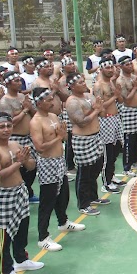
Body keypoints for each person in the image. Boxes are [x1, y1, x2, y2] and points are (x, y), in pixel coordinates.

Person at [0, 112, 43, 274]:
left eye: (8, 126)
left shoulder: (15, 144)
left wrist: (26, 160)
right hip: (3, 195)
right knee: (4, 235)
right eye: (1, 127)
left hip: (20, 191)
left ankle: (21, 259)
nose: (6, 129)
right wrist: (18, 163)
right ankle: (6, 272)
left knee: (22, 227)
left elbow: (31, 166)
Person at [30, 88, 85, 252]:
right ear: (39, 102)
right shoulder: (36, 122)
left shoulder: (53, 116)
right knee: (47, 200)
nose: (52, 102)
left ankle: (63, 222)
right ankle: (43, 237)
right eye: (48, 100)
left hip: (59, 161)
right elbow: (39, 147)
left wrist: (62, 135)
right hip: (47, 163)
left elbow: (64, 137)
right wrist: (59, 138)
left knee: (63, 195)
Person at [65, 74, 109, 215]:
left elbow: (101, 113)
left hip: (96, 137)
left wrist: (99, 109)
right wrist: (96, 110)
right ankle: (83, 204)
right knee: (84, 172)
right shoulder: (72, 102)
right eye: (80, 82)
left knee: (96, 167)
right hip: (83, 140)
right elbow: (81, 122)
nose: (84, 83)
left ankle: (93, 197)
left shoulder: (89, 96)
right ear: (72, 86)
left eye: (83, 81)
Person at [0, 71, 37, 203]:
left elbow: (34, 113)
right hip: (15, 138)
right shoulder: (4, 101)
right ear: (8, 84)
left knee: (32, 166)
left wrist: (29, 108)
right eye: (16, 81)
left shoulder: (23, 97)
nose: (20, 83)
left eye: (20, 80)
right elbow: (10, 122)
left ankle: (28, 191)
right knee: (20, 167)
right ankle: (21, 194)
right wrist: (25, 110)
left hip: (29, 137)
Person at [93, 57, 126, 189]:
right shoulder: (98, 85)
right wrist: (115, 96)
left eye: (111, 67)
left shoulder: (112, 82)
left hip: (115, 119)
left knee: (116, 149)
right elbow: (100, 107)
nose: (110, 69)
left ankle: (111, 176)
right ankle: (106, 182)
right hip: (105, 120)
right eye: (107, 67)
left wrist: (118, 95)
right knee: (107, 152)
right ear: (101, 69)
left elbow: (121, 101)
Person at [117, 56, 137, 175]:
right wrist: (135, 88)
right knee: (129, 139)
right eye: (127, 64)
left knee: (136, 139)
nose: (130, 66)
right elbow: (127, 100)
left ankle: (136, 161)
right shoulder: (121, 81)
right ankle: (127, 167)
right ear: (121, 66)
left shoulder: (135, 77)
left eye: (131, 63)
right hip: (128, 111)